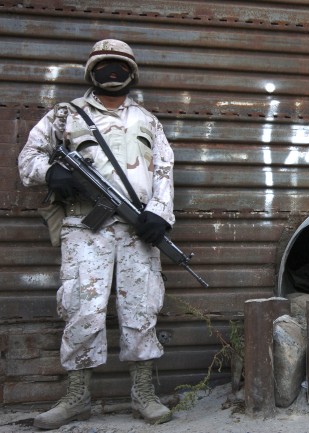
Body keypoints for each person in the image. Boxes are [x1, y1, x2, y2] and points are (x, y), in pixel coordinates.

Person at [18, 39, 175, 429]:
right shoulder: (63, 117)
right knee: (82, 309)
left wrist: (159, 213)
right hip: (84, 230)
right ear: (91, 71)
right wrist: (50, 173)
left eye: (119, 66)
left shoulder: (148, 121)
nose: (112, 72)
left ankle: (143, 394)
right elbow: (29, 159)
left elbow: (164, 172)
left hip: (138, 229)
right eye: (104, 65)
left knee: (141, 308)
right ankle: (77, 397)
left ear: (131, 73)